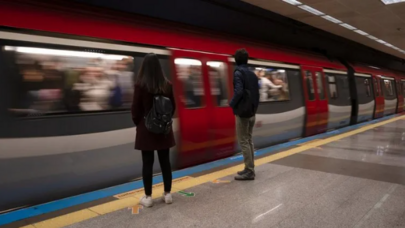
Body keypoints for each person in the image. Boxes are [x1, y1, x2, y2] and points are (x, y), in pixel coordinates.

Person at [131, 53, 176, 207]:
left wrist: (141, 124)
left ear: (144, 67)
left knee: (147, 163)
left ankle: (148, 197)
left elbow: (135, 110)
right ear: (159, 67)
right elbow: (173, 108)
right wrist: (164, 121)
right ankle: (168, 194)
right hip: (164, 130)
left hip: (147, 130)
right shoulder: (167, 85)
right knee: (165, 162)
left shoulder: (140, 85)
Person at [229, 48, 260, 180]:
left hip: (243, 112)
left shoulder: (238, 73)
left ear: (236, 60)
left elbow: (239, 92)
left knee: (243, 140)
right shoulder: (252, 74)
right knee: (249, 139)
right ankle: (250, 167)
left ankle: (249, 170)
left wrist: (231, 104)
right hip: (252, 112)